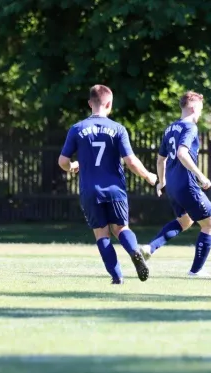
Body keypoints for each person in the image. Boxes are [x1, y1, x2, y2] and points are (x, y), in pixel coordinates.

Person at [58, 84, 158, 284]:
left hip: (90, 190)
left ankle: (117, 277)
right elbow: (130, 161)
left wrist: (73, 166)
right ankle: (134, 251)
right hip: (115, 190)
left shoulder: (77, 129)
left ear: (89, 104)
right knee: (121, 229)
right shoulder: (118, 129)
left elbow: (62, 161)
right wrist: (149, 176)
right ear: (109, 104)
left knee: (101, 234)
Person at [139, 91, 211, 277]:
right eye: (200, 109)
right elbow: (182, 154)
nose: (200, 114)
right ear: (192, 107)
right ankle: (196, 271)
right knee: (210, 224)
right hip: (186, 185)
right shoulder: (190, 127)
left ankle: (150, 248)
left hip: (173, 187)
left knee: (185, 221)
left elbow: (160, 160)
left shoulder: (170, 129)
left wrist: (162, 182)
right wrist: (201, 176)